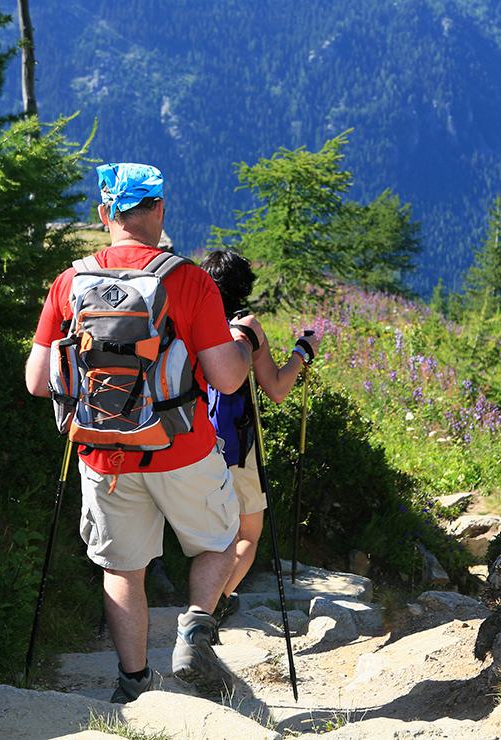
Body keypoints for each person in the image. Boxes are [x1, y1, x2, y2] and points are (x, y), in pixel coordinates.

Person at [24, 163, 264, 703]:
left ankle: (132, 684)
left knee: (122, 568)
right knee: (222, 539)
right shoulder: (187, 279)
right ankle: (194, 632)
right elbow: (226, 377)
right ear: (159, 209)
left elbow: (38, 382)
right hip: (181, 447)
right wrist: (246, 349)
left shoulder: (69, 282)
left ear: (105, 213)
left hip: (102, 452)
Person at [199, 249, 322, 626]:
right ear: (244, 285)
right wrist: (302, 354)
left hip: (189, 441)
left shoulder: (192, 321)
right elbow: (277, 389)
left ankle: (201, 608)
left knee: (205, 538)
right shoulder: (245, 326)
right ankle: (210, 609)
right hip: (235, 446)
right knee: (247, 536)